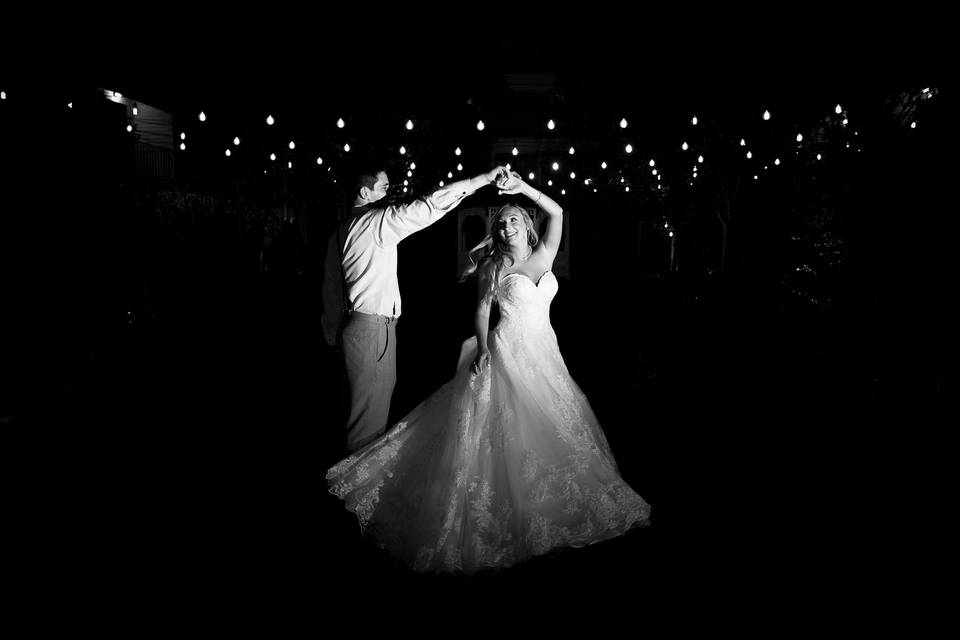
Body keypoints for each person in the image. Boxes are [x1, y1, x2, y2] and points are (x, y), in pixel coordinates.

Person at [327, 171, 651, 574]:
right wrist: (482, 347)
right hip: (507, 348)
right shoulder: (493, 265)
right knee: (501, 428)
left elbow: (558, 211)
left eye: (513, 218)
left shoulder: (545, 254)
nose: (506, 224)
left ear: (527, 226)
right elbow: (481, 311)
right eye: (501, 221)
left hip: (545, 351)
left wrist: (524, 190)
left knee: (555, 426)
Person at [326, 161, 509, 454]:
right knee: (367, 427)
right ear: (364, 192)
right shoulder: (375, 222)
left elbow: (331, 288)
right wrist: (483, 179)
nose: (391, 192)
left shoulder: (342, 229)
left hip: (356, 330)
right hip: (372, 330)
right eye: (384, 188)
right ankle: (354, 493)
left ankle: (355, 489)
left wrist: (337, 334)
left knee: (364, 416)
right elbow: (428, 206)